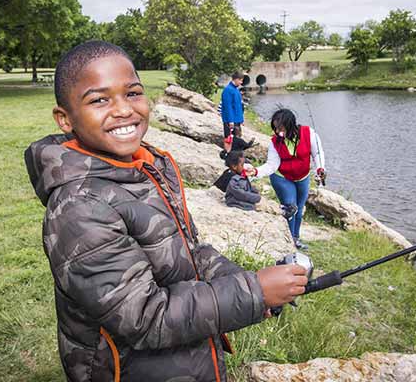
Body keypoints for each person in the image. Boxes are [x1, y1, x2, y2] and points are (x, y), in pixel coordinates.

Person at [23, 41, 308, 382]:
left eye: (132, 93)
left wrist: (248, 283)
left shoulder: (146, 166)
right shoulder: (80, 209)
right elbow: (145, 318)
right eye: (99, 100)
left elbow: (190, 251)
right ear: (65, 119)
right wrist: (253, 292)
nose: (123, 110)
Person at [247, 108, 325, 251]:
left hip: (303, 177)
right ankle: (288, 243)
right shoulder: (275, 142)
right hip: (282, 177)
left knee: (300, 209)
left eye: (280, 129)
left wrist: (320, 168)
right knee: (291, 207)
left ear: (290, 125)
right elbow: (271, 165)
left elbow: (317, 154)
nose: (277, 132)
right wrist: (256, 171)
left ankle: (295, 238)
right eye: (275, 129)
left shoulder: (309, 134)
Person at [221, 71, 245, 138]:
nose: (241, 83)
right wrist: (230, 120)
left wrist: (241, 119)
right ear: (236, 79)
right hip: (230, 120)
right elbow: (228, 107)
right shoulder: (228, 90)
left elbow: (239, 106)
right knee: (229, 139)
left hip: (237, 119)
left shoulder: (236, 90)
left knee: (237, 138)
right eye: (241, 80)